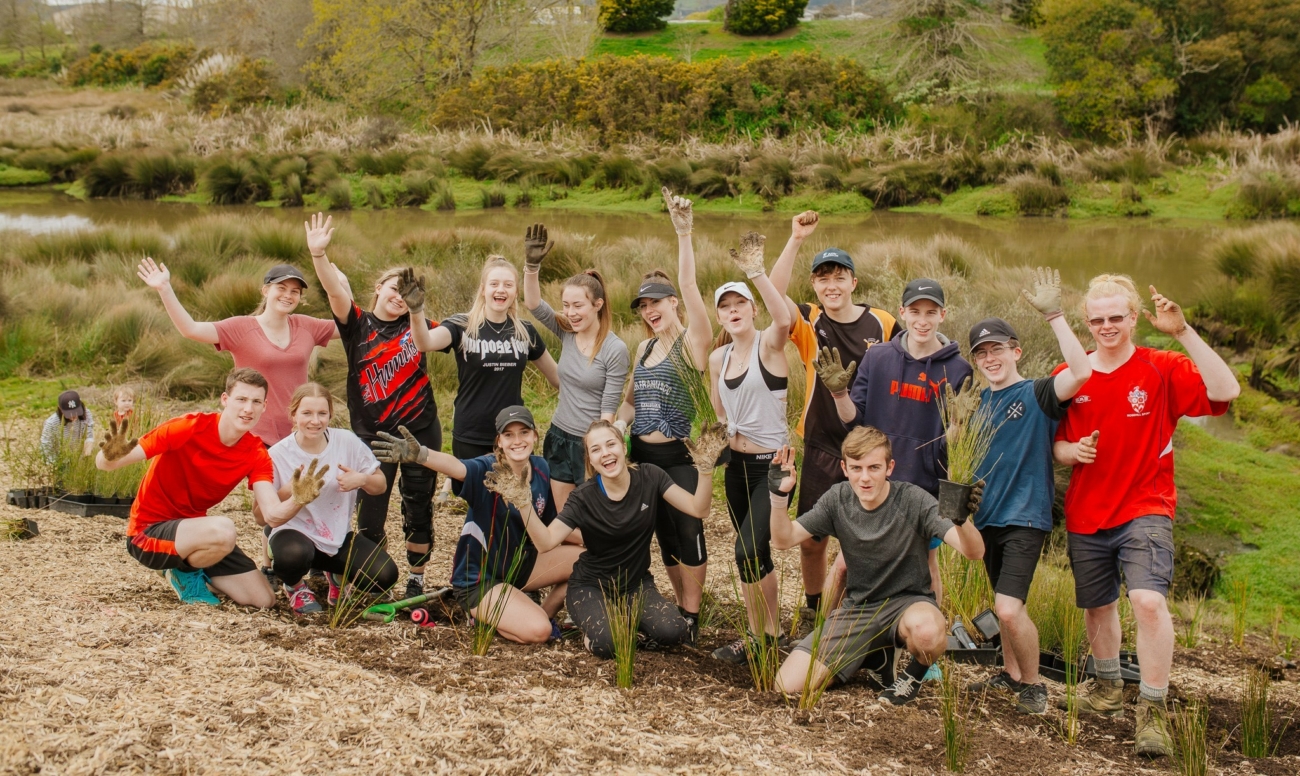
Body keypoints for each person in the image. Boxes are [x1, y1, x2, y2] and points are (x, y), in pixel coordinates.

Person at [1052, 275, 1238, 757]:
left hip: (1146, 506)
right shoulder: (1073, 373)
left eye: (1117, 317)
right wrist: (1071, 450)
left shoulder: (1162, 367)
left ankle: (1152, 709)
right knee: (1098, 606)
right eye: (1098, 320)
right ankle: (1108, 688)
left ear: (1134, 318)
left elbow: (1226, 391)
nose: (1107, 326)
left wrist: (1183, 333)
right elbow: (1054, 444)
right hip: (1087, 511)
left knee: (1149, 602)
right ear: (1086, 323)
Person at [138, 254, 338, 580]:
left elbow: (353, 325)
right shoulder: (241, 328)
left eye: (295, 291)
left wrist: (336, 280)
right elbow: (190, 330)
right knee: (270, 503)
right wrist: (164, 289)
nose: (288, 295)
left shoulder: (306, 325)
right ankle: (273, 563)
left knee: (309, 489)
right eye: (281, 288)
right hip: (258, 431)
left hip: (301, 429)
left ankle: (309, 560)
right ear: (265, 291)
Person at [767, 427, 985, 706]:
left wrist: (960, 519)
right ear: (844, 468)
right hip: (857, 610)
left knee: (929, 632)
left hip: (908, 604)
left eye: (874, 467)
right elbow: (783, 540)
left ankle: (912, 677)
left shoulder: (914, 500)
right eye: (856, 468)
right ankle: (873, 656)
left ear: (889, 467)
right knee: (786, 686)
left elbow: (974, 552)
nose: (865, 477)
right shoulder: (838, 499)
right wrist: (778, 497)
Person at [961, 267, 1092, 715]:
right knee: (1004, 609)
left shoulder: (1038, 393)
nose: (990, 358)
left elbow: (1082, 371)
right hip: (987, 519)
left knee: (1009, 608)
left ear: (1015, 351)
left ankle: (1034, 686)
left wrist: (1055, 315)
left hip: (1025, 515)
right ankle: (1011, 676)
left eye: (997, 348)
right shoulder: (976, 404)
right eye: (981, 353)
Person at [497, 419, 727, 659]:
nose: (605, 453)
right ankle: (597, 629)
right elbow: (545, 542)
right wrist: (523, 503)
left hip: (636, 585)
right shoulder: (583, 497)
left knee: (675, 631)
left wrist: (705, 470)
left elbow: (699, 509)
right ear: (591, 460)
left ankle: (620, 621)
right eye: (596, 450)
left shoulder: (650, 476)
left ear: (624, 447)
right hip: (590, 586)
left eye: (610, 444)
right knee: (609, 645)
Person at [95, 368, 323, 609]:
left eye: (256, 402)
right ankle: (182, 572)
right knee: (224, 530)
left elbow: (271, 515)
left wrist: (298, 498)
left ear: (264, 406)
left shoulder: (256, 454)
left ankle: (196, 571)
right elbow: (107, 464)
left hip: (197, 535)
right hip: (148, 532)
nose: (248, 409)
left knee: (263, 599)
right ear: (225, 400)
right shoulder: (188, 427)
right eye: (241, 399)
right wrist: (107, 455)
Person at [304, 212, 444, 601]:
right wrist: (319, 256)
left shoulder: (420, 325)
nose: (399, 296)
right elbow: (335, 293)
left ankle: (416, 576)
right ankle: (373, 579)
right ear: (379, 287)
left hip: (420, 429)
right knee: (370, 510)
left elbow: (449, 335)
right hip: (372, 434)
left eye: (408, 292)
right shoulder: (358, 324)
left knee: (418, 506)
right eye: (393, 288)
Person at [767, 212, 901, 615]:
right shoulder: (809, 319)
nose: (831, 285)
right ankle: (814, 608)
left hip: (871, 445)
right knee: (812, 539)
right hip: (823, 443)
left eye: (839, 276)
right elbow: (772, 295)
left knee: (867, 538)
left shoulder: (883, 322)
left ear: (853, 282)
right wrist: (794, 239)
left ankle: (863, 610)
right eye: (823, 278)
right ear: (814, 285)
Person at [372, 406, 583, 643]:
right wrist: (422, 455)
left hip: (521, 565)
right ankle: (490, 615)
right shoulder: (488, 469)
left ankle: (545, 612)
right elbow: (458, 467)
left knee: (588, 559)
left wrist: (595, 539)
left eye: (524, 432)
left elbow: (551, 528)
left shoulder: (542, 468)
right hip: (481, 579)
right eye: (509, 435)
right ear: (499, 442)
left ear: (535, 435)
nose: (517, 441)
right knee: (539, 632)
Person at [830, 277, 975, 608]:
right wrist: (839, 392)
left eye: (931, 312)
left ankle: (928, 653)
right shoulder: (878, 357)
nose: (922, 320)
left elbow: (951, 447)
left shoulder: (958, 368)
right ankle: (827, 638)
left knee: (925, 567)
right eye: (915, 311)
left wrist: (957, 425)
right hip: (875, 481)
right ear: (902, 313)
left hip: (924, 488)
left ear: (943, 315)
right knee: (843, 566)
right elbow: (855, 421)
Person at [616, 188, 715, 640]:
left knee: (688, 530)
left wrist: (684, 233)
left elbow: (693, 286)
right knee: (663, 540)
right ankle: (679, 609)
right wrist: (618, 427)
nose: (650, 311)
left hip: (679, 457)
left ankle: (692, 618)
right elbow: (632, 399)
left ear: (673, 302)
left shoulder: (692, 342)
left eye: (657, 302)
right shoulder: (644, 346)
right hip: (643, 457)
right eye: (644, 306)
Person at [708, 231, 795, 665]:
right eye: (725, 306)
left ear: (753, 308)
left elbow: (785, 321)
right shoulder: (716, 360)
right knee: (751, 555)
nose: (733, 311)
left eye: (740, 303)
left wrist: (756, 272)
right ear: (719, 316)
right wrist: (713, 442)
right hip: (736, 466)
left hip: (772, 466)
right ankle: (761, 633)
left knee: (747, 548)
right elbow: (720, 415)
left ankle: (770, 633)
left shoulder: (771, 344)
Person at [260, 383, 395, 615]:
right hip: (294, 535)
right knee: (292, 556)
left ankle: (335, 576)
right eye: (307, 413)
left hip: (337, 536)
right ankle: (294, 587)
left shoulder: (347, 441)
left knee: (385, 575)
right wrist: (292, 492)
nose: (315, 421)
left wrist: (361, 479)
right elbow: (257, 514)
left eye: (322, 413)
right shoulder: (277, 454)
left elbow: (380, 485)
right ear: (293, 414)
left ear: (330, 414)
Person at [521, 223, 630, 511]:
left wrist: (601, 451)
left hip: (589, 444)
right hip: (558, 435)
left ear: (598, 304)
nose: (570, 313)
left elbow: (609, 410)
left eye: (578, 305)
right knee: (565, 517)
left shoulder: (614, 349)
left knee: (595, 515)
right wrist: (531, 266)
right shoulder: (567, 330)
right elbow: (533, 304)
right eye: (566, 305)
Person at [438, 256, 559, 484]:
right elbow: (425, 342)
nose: (501, 290)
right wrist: (416, 312)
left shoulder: (525, 331)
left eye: (508, 285)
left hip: (513, 434)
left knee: (513, 502)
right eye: (494, 284)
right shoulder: (461, 326)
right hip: (471, 432)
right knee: (477, 501)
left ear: (515, 292)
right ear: (483, 289)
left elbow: (558, 378)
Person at [40, 390, 95, 463]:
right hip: (60, 461)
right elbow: (45, 446)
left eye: (76, 411)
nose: (73, 416)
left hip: (80, 458)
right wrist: (54, 464)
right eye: (69, 413)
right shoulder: (51, 423)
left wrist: (87, 457)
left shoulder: (87, 413)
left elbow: (89, 436)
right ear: (60, 408)